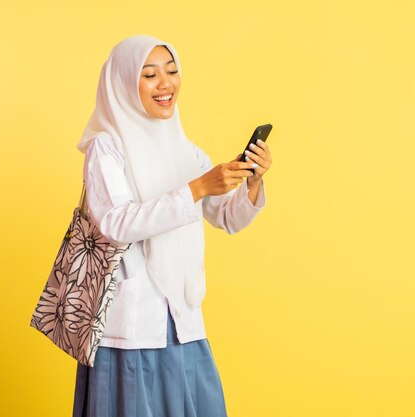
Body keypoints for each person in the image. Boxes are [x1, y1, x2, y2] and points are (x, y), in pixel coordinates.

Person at [72, 34, 272, 417]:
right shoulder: (106, 148)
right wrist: (197, 188)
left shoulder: (186, 149)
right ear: (124, 84)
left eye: (172, 71)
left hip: (183, 318)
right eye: (149, 75)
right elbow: (115, 222)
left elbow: (227, 218)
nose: (165, 84)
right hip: (130, 331)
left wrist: (252, 181)